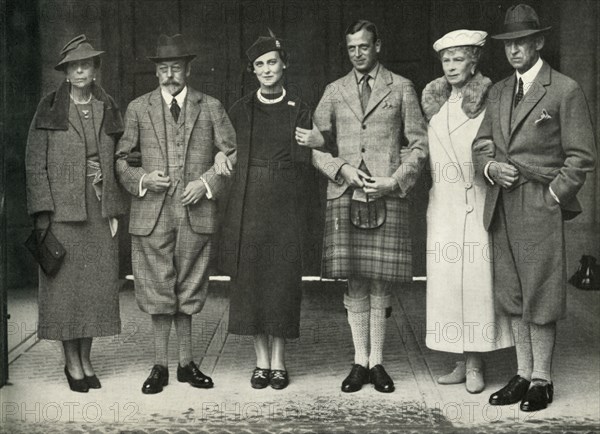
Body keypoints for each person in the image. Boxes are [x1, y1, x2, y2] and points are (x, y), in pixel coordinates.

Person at [472, 4, 596, 411]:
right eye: (508, 44)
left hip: (538, 203)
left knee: (541, 293)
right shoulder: (499, 91)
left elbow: (581, 157)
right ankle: (522, 374)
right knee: (512, 293)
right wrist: (490, 168)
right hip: (502, 202)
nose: (514, 51)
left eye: (522, 42)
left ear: (538, 42)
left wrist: (552, 198)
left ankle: (542, 379)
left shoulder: (563, 89)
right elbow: (481, 144)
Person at [115, 34, 236, 394]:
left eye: (176, 68)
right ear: (156, 72)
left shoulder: (210, 106)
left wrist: (208, 182)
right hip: (151, 213)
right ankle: (160, 366)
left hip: (195, 212)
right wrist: (142, 179)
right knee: (157, 291)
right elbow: (121, 160)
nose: (170, 75)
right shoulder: (138, 108)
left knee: (188, 288)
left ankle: (186, 363)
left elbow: (231, 153)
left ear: (188, 69)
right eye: (163, 69)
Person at [312, 20, 428, 393]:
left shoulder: (402, 87)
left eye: (364, 46)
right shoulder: (334, 90)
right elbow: (313, 144)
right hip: (345, 195)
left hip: (386, 194)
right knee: (355, 279)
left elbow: (419, 145)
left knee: (380, 282)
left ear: (378, 45)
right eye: (352, 48)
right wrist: (341, 168)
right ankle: (358, 361)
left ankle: (377, 362)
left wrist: (394, 181)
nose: (358, 53)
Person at [219, 31, 323, 390]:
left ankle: (279, 362)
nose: (266, 69)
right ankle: (260, 361)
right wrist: (220, 154)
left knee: (281, 283)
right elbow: (224, 148)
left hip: (286, 208)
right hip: (248, 207)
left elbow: (312, 156)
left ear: (284, 65)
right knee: (250, 283)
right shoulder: (240, 109)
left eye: (272, 62)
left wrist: (320, 141)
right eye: (259, 65)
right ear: (253, 70)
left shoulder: (300, 106)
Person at [25, 35, 127, 393]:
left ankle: (86, 360)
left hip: (99, 210)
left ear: (95, 69)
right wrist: (42, 214)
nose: (81, 69)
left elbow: (122, 156)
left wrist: (113, 198)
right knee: (65, 293)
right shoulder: (49, 106)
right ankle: (72, 364)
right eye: (74, 65)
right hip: (62, 213)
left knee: (95, 292)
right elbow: (35, 164)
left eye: (87, 63)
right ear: (66, 72)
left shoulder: (107, 105)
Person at [421, 29, 513, 394]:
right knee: (447, 286)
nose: (451, 66)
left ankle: (476, 362)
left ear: (474, 60)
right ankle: (459, 359)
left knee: (476, 285)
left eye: (459, 59)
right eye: (446, 60)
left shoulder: (490, 102)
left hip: (476, 203)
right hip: (442, 206)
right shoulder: (436, 106)